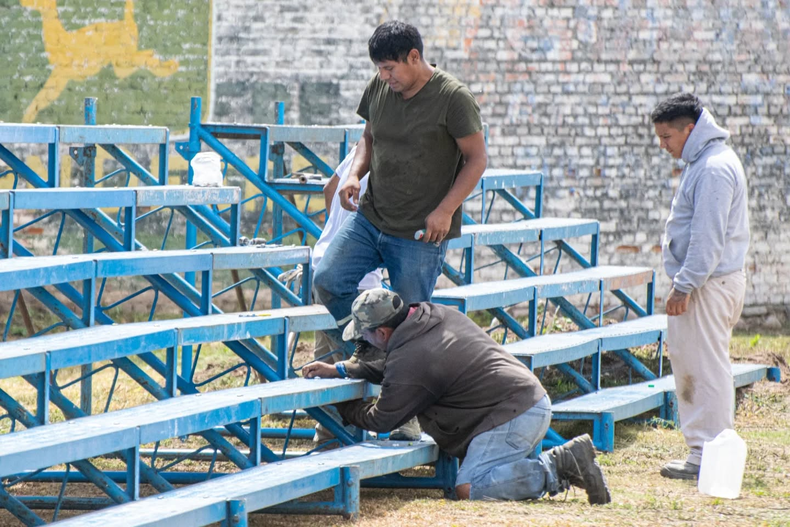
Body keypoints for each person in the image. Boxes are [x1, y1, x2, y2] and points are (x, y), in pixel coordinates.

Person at [302, 289, 612, 504]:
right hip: (524, 404)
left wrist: (343, 405)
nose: (362, 341)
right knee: (480, 478)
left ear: (383, 333)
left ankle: (560, 466)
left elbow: (383, 418)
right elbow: (396, 370)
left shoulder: (413, 358)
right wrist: (342, 370)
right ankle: (559, 464)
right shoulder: (432, 317)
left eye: (365, 334)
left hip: (511, 417)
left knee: (469, 487)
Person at [312, 19, 487, 363]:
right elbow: (368, 138)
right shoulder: (379, 89)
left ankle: (406, 395)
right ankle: (369, 351)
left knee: (413, 321)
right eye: (379, 69)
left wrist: (446, 210)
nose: (384, 77)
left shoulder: (453, 97)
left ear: (413, 56)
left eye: (389, 68)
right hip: (371, 218)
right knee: (328, 280)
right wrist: (353, 175)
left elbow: (477, 160)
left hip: (419, 232)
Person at [651, 93, 750, 480]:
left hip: (706, 286)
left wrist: (684, 285)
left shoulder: (712, 168)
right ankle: (707, 452)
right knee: (703, 365)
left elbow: (707, 238)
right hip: (708, 283)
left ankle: (706, 455)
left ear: (689, 130)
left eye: (666, 137)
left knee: (703, 369)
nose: (662, 145)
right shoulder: (706, 162)